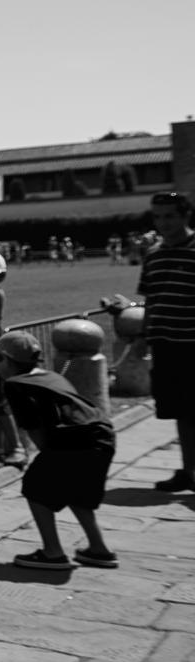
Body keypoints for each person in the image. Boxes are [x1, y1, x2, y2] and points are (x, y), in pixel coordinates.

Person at [0, 331, 118, 570]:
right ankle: (99, 549)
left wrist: (47, 460)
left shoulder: (15, 385)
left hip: (74, 441)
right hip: (102, 435)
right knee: (75, 491)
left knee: (35, 487)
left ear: (5, 360)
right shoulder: (50, 375)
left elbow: (36, 433)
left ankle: (53, 553)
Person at [136, 192, 195, 491]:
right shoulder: (154, 254)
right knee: (182, 411)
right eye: (157, 216)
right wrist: (144, 335)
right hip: (166, 345)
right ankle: (189, 471)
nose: (163, 222)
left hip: (192, 343)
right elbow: (150, 299)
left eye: (169, 215)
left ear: (185, 215)